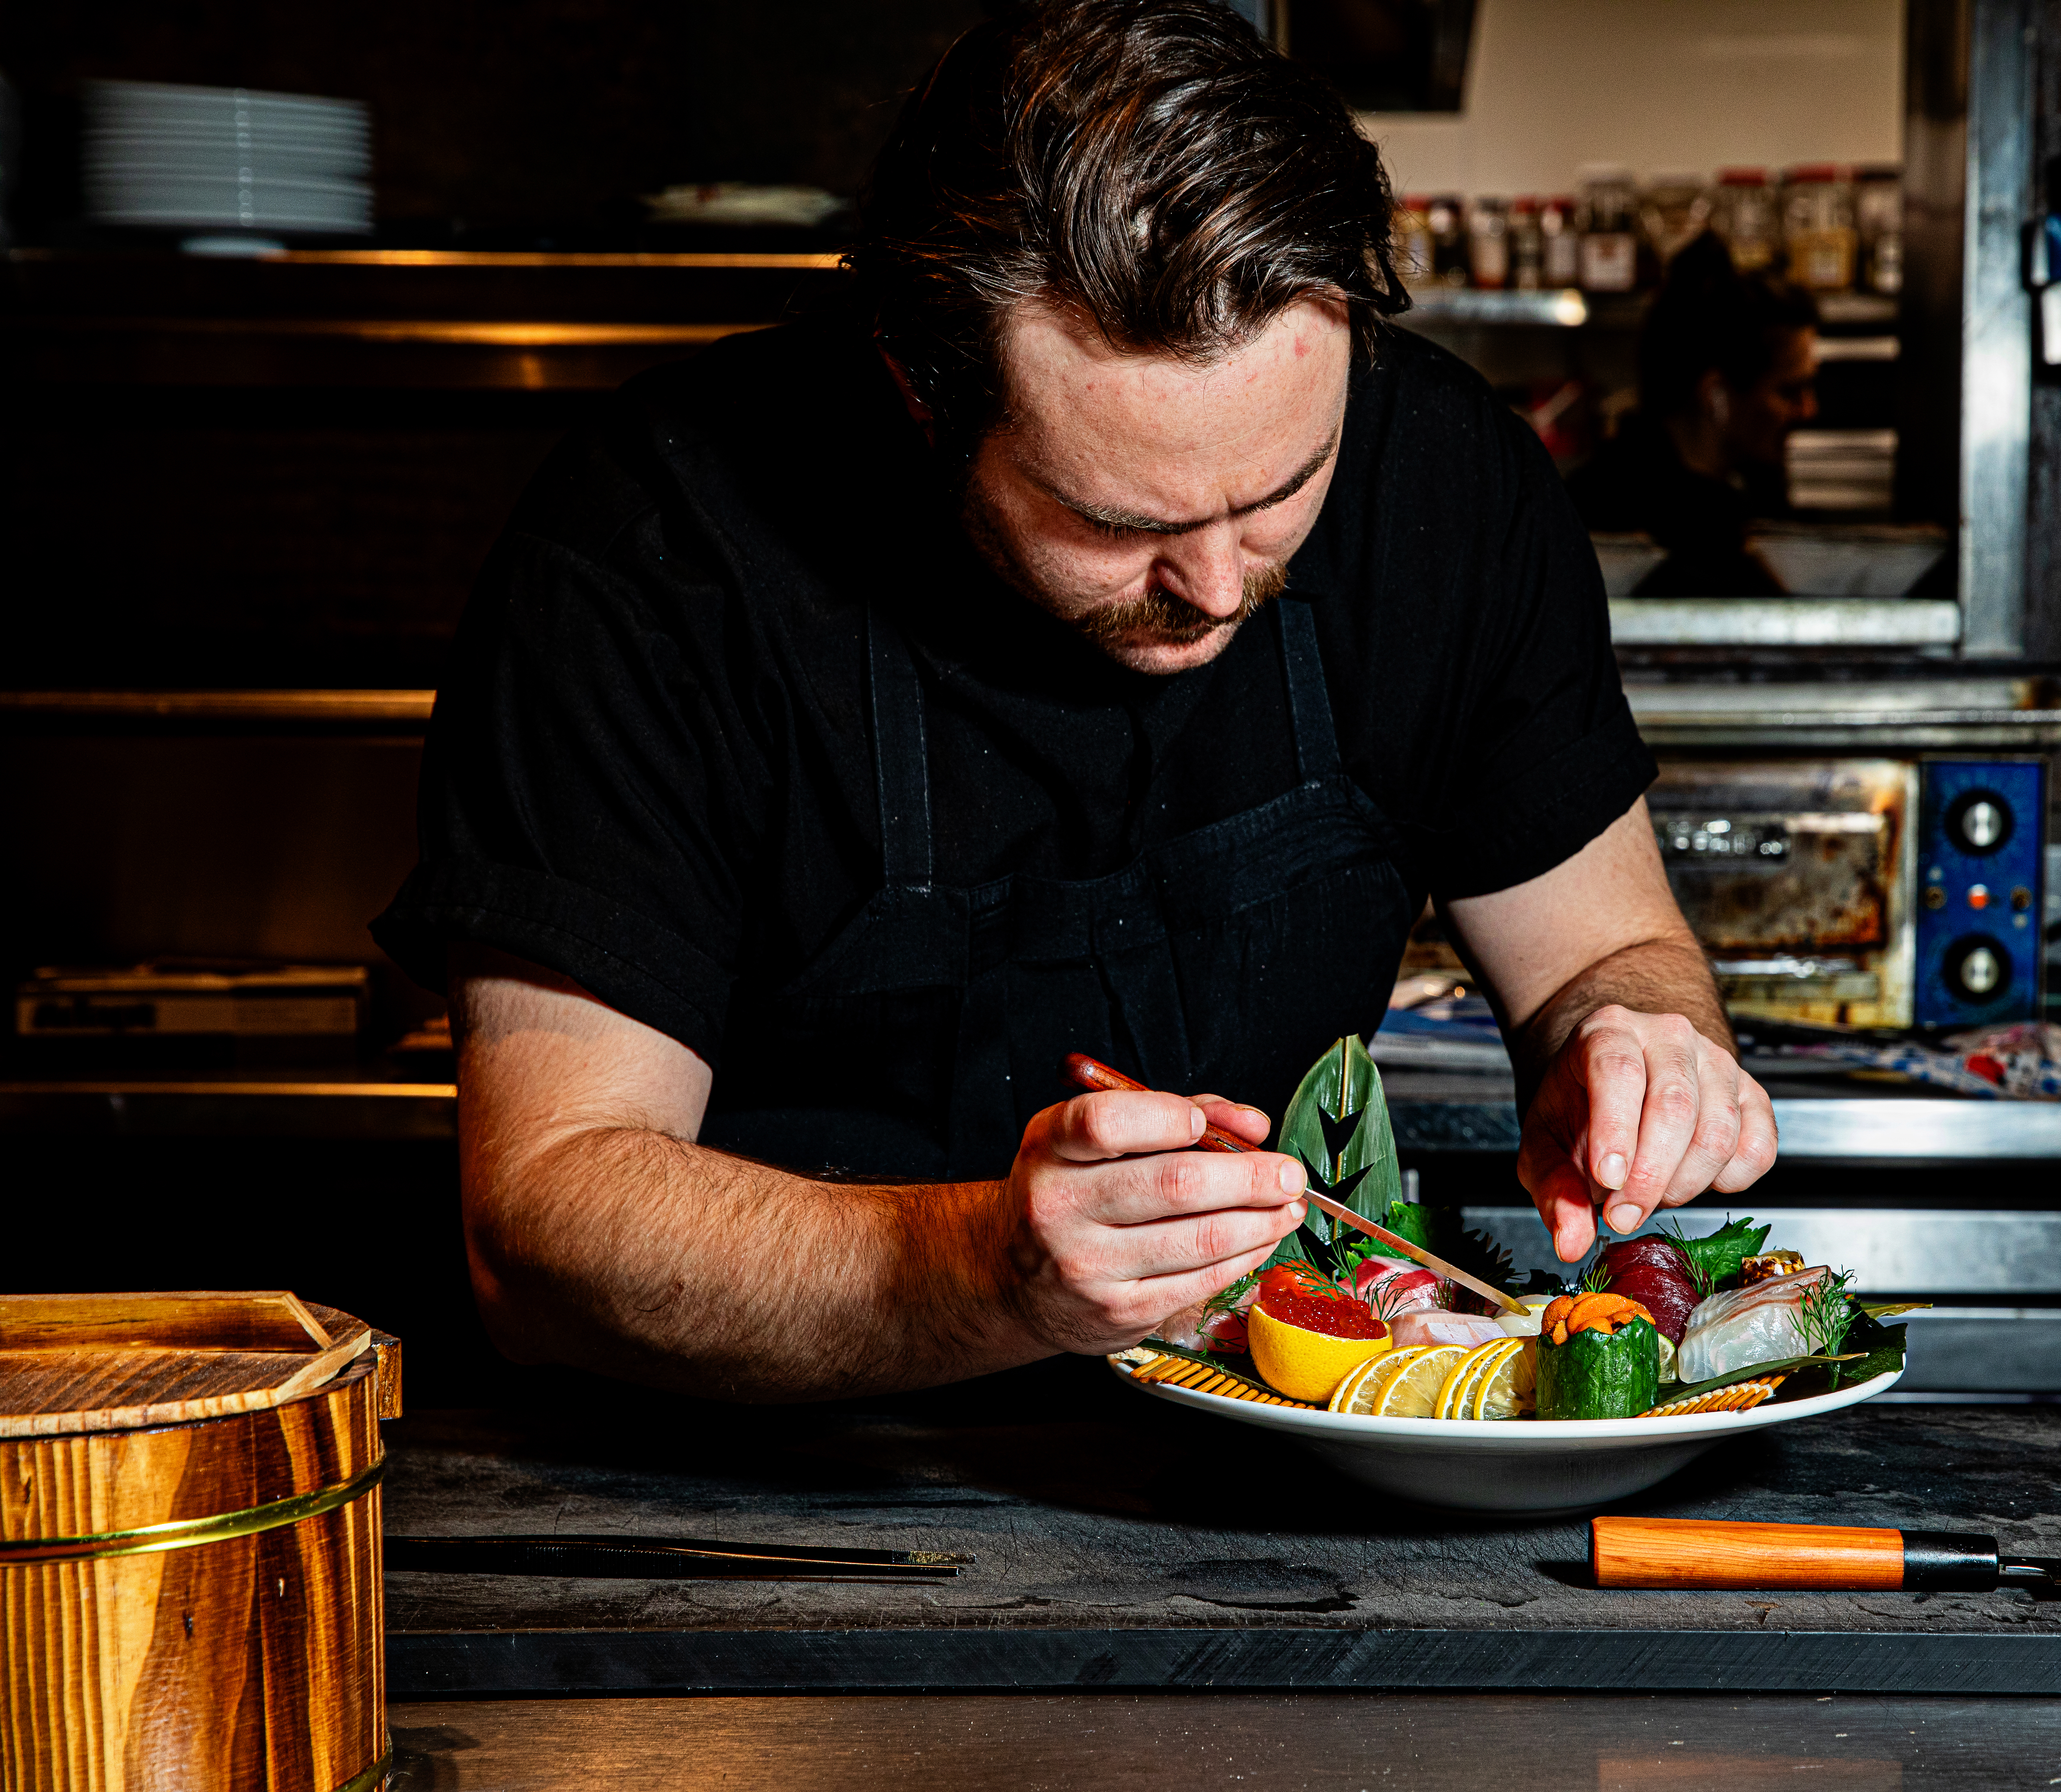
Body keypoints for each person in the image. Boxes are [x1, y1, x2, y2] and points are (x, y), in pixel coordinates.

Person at [374, 0, 1777, 1401]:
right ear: (924, 401)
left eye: (1285, 490)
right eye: (1117, 523)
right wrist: (986, 1269)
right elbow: (544, 1225)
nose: (1221, 587)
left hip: (1273, 1462)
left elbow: (1610, 955)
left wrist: (1642, 1044)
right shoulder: (654, 550)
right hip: (760, 1501)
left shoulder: (1451, 482)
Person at [1565, 232, 1821, 595]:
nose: (1810, 410)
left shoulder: (1753, 493)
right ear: (1716, 394)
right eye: (1790, 391)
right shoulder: (1616, 511)